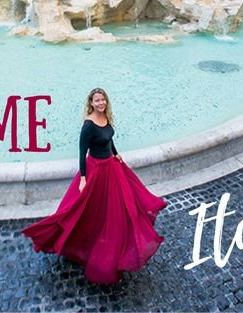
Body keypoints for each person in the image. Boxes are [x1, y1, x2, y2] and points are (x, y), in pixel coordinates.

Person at [22, 88, 166, 285]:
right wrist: (83, 177)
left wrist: (115, 153)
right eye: (97, 100)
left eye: (103, 99)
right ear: (91, 103)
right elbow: (82, 152)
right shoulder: (88, 125)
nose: (101, 103)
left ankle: (115, 246)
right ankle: (78, 244)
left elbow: (109, 137)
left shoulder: (106, 117)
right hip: (96, 170)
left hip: (111, 167)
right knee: (85, 211)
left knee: (117, 209)